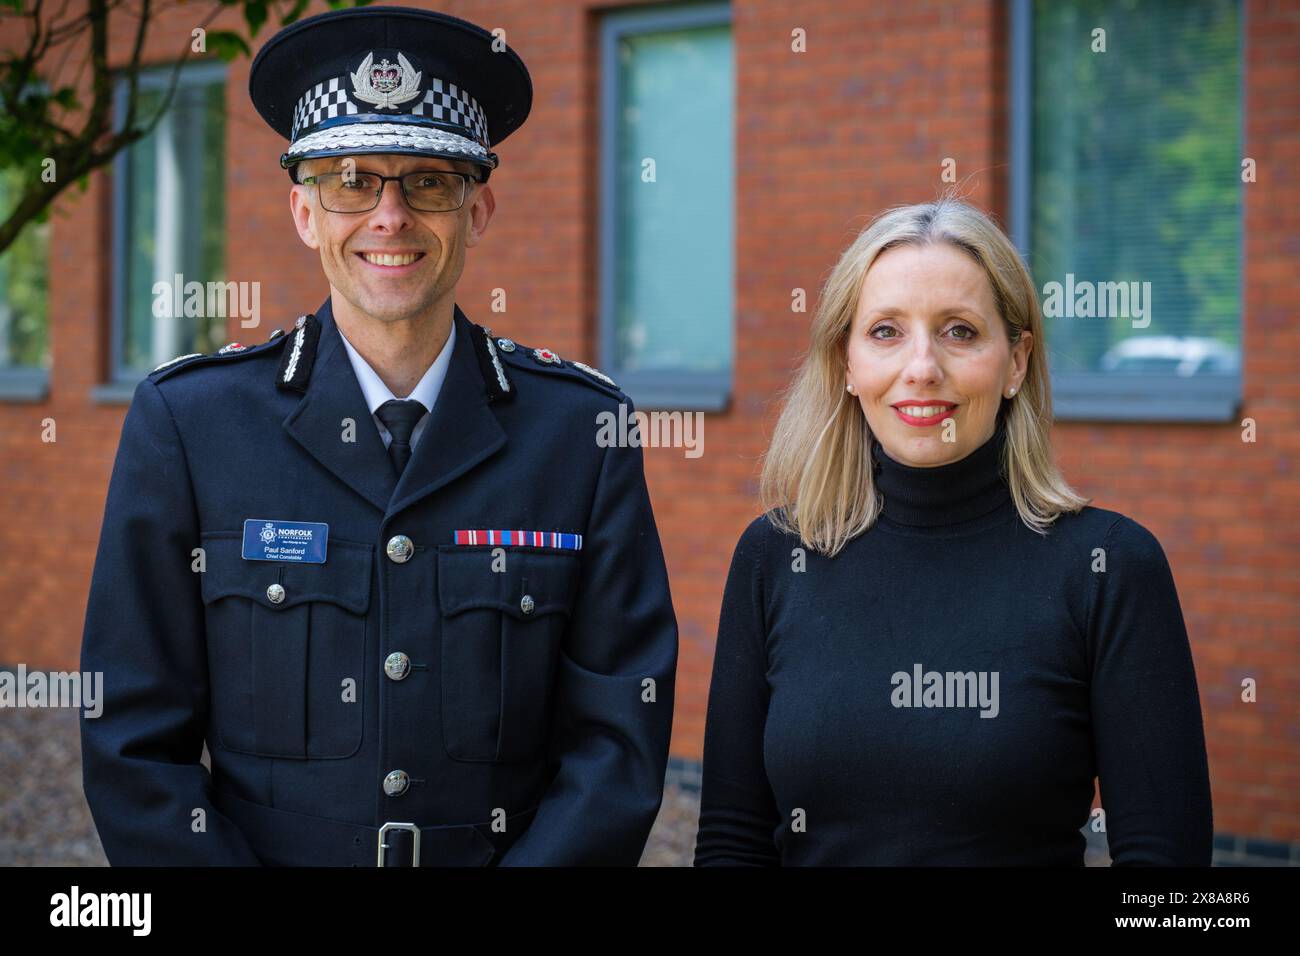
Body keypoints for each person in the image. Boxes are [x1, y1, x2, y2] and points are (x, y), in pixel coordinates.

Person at [79, 5, 677, 866]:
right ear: (304, 212)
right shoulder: (192, 425)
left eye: (428, 181)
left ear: (477, 211)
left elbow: (617, 744)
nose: (389, 216)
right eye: (352, 181)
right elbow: (133, 742)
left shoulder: (581, 434)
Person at [693, 198, 1212, 865]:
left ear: (1016, 362)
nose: (922, 368)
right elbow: (733, 842)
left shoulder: (1107, 568)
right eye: (885, 332)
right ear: (847, 363)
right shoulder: (775, 558)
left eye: (959, 331)